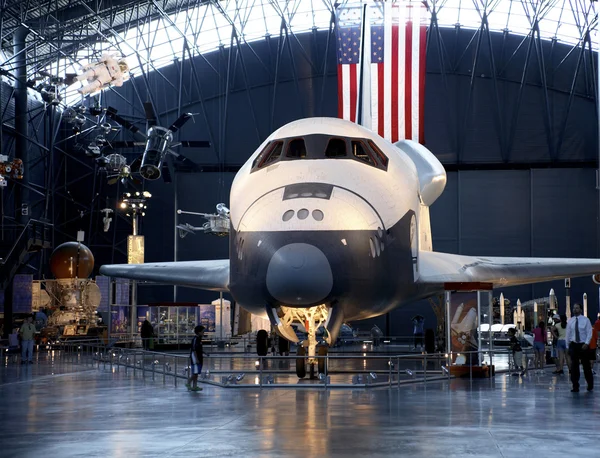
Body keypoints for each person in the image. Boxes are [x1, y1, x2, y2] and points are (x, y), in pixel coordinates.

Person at [566, 303, 593, 392]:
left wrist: (587, 343)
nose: (575, 310)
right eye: (574, 308)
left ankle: (590, 384)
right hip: (574, 345)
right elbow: (568, 334)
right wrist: (567, 345)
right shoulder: (570, 321)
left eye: (577, 308)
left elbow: (589, 332)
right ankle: (575, 386)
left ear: (581, 310)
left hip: (583, 345)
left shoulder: (586, 320)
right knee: (574, 366)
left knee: (586, 366)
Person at [186, 325, 208, 392]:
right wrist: (196, 359)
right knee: (195, 373)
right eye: (202, 332)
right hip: (195, 358)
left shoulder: (199, 339)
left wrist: (204, 353)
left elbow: (199, 349)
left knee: (197, 373)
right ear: (199, 332)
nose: (203, 333)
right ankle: (188, 383)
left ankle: (194, 386)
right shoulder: (195, 339)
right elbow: (194, 349)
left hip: (199, 357)